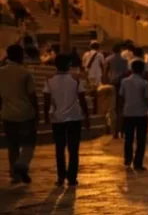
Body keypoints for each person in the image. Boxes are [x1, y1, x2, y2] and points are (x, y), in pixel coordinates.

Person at [42, 54, 89, 186]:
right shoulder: (75, 79)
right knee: (73, 149)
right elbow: (82, 99)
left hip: (57, 118)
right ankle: (72, 177)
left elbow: (46, 100)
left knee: (59, 148)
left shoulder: (49, 79)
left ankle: (61, 176)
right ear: (69, 64)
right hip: (74, 117)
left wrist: (46, 117)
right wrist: (86, 117)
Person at [0, 44, 37, 183]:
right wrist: (37, 114)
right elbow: (32, 95)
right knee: (29, 143)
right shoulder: (25, 73)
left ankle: (14, 174)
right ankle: (22, 164)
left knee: (12, 145)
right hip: (25, 113)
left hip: (8, 113)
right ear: (19, 56)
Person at [119, 60, 148, 171]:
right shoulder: (144, 83)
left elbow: (121, 97)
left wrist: (122, 110)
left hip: (128, 113)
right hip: (141, 114)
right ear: (142, 70)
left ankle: (128, 159)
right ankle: (138, 163)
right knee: (141, 140)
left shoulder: (124, 81)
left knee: (128, 138)